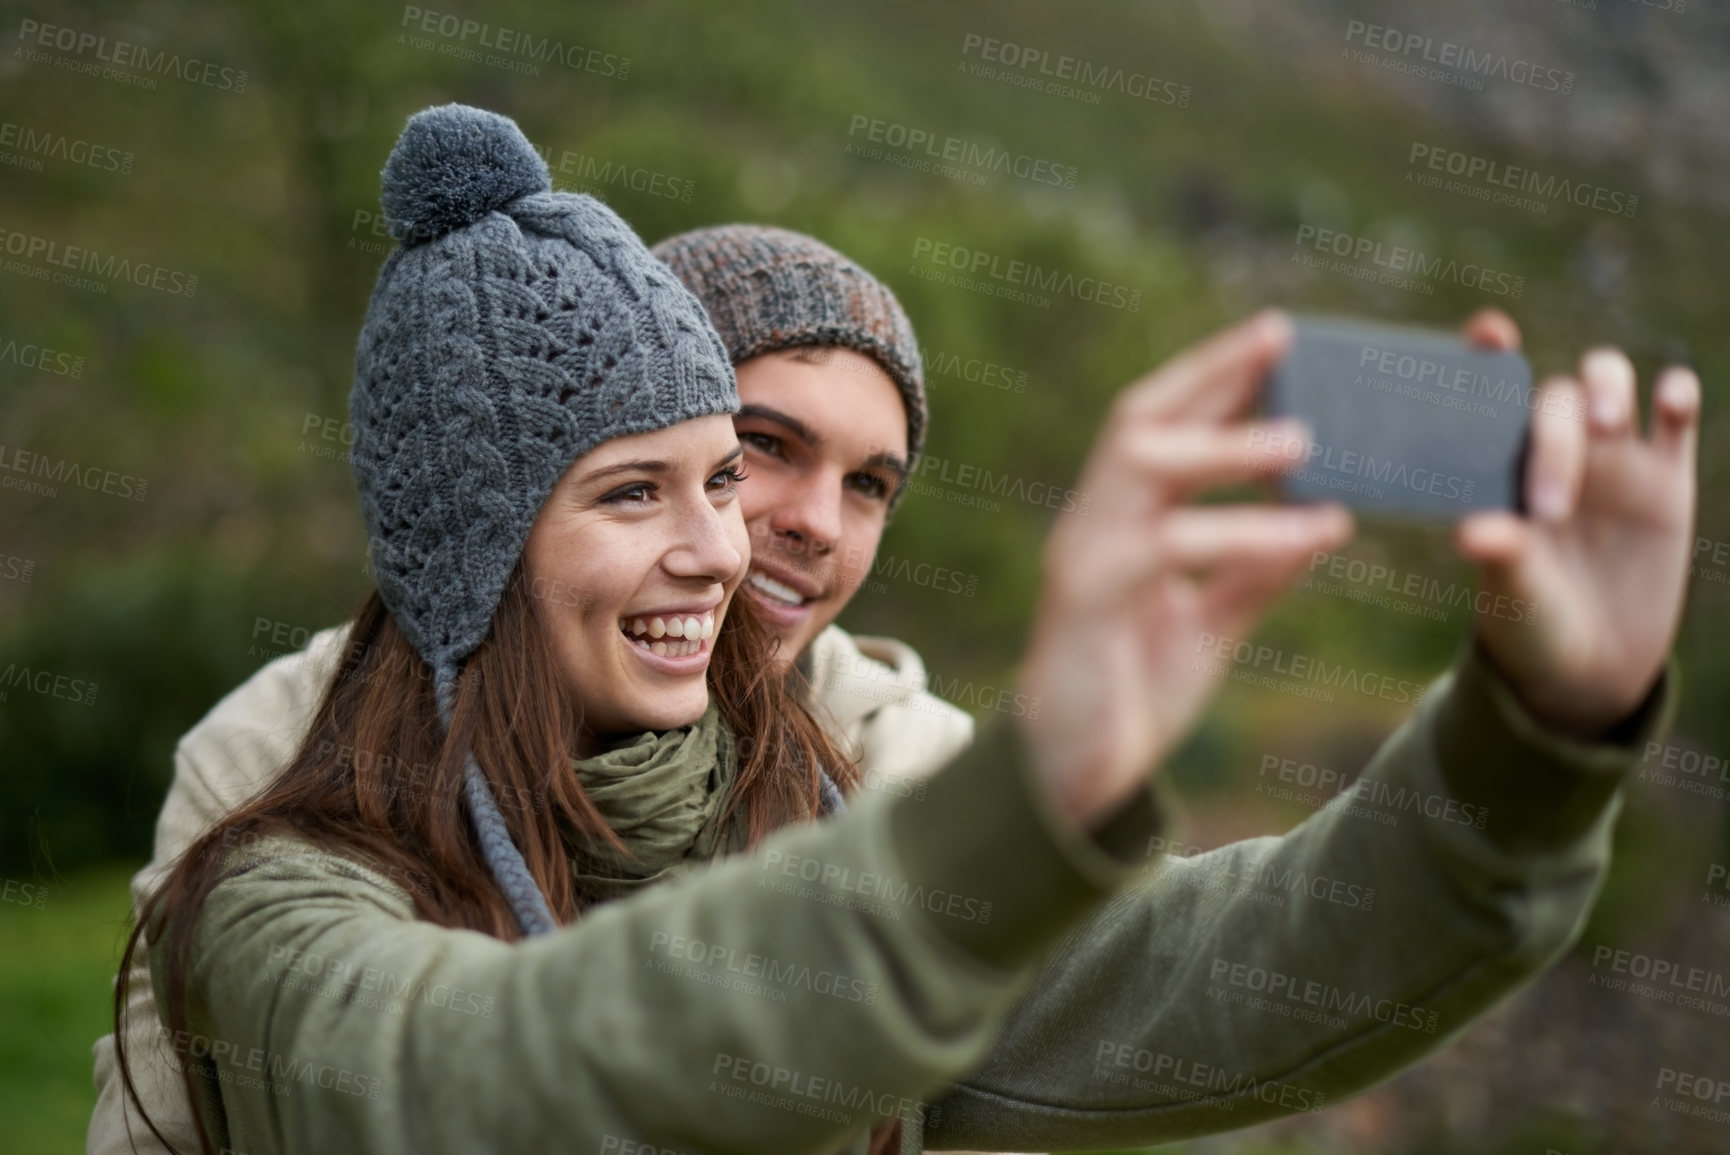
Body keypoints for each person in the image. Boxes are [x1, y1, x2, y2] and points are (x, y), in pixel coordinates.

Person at [96, 102, 1698, 1155]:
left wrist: (1538, 731)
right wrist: (1037, 803)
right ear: (473, 540)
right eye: (645, 487)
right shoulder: (280, 850)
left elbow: (1227, 971)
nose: (740, 540)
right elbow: (514, 1076)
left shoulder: (857, 787)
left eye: (733, 478)